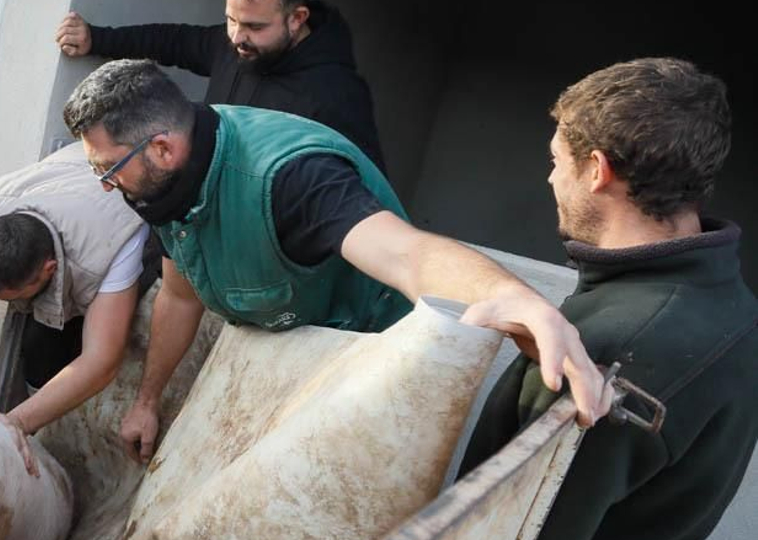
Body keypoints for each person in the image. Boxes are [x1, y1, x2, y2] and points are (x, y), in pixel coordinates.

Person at [450, 58, 758, 540]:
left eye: (555, 159)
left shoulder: (627, 348)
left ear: (598, 170)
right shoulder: (718, 298)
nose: (546, 175)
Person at [60, 58, 608, 463]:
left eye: (109, 169)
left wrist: (516, 301)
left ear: (161, 148)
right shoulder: (161, 185)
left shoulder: (291, 179)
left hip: (361, 367)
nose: (107, 187)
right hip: (280, 347)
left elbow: (405, 252)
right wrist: (148, 401)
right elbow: (180, 294)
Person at [54, 0, 387, 172]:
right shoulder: (234, 45)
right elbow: (172, 41)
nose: (237, 37)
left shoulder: (338, 95)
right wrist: (97, 39)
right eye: (231, 20)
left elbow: (366, 190)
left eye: (255, 26)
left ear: (297, 19)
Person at [0, 145, 149, 436]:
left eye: (11, 297)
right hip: (71, 181)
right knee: (40, 348)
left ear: (48, 270)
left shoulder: (113, 246)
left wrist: (13, 425)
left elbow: (102, 360)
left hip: (126, 208)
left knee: (122, 340)